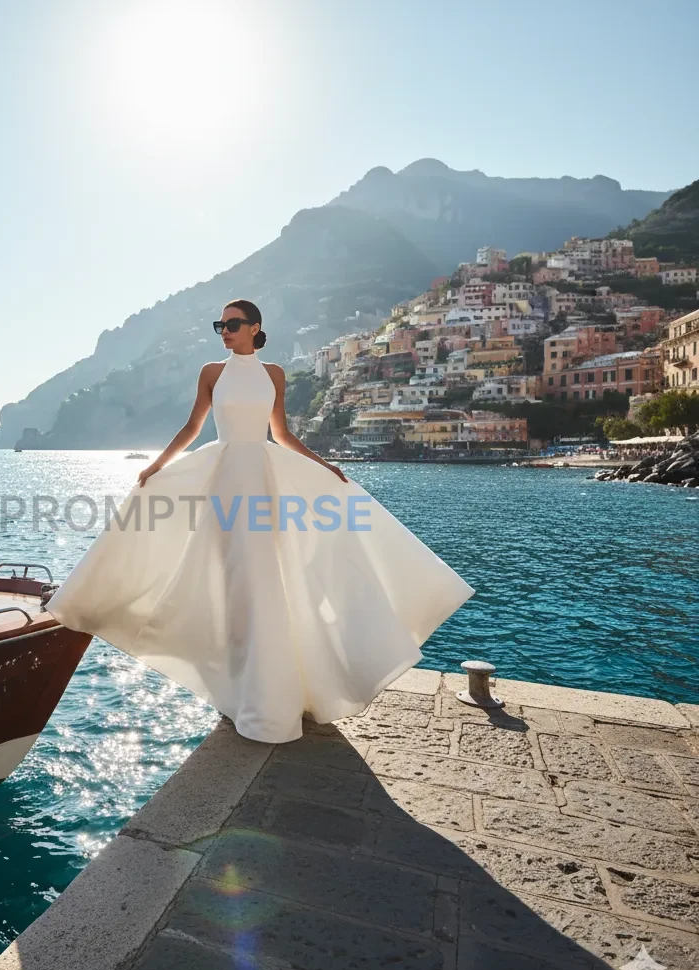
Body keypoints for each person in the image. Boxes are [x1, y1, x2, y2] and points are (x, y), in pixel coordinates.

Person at [45, 300, 475, 744]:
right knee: (237, 584)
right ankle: (243, 692)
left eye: (232, 324)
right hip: (225, 482)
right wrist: (157, 466)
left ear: (254, 328)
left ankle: (271, 694)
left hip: (265, 483)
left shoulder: (274, 375)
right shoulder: (212, 372)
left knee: (267, 582)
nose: (224, 331)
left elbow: (282, 434)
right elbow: (193, 428)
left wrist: (324, 467)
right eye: (220, 325)